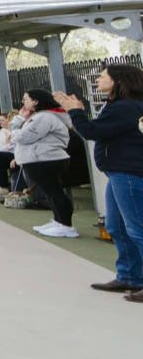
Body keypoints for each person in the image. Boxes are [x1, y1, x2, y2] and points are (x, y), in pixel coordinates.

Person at [58, 63, 143, 299]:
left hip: (128, 173)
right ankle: (130, 277)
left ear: (118, 80)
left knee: (137, 228)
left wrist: (75, 111)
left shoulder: (125, 108)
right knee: (117, 226)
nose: (97, 80)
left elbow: (92, 131)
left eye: (103, 76)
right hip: (119, 173)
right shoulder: (121, 106)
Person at [11, 89, 78, 239]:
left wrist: (16, 125)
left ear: (35, 101)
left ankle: (66, 225)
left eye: (25, 99)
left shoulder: (45, 117)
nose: (23, 102)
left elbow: (24, 137)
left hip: (45, 159)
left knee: (55, 192)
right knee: (51, 192)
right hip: (40, 158)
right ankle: (58, 221)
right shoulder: (41, 116)